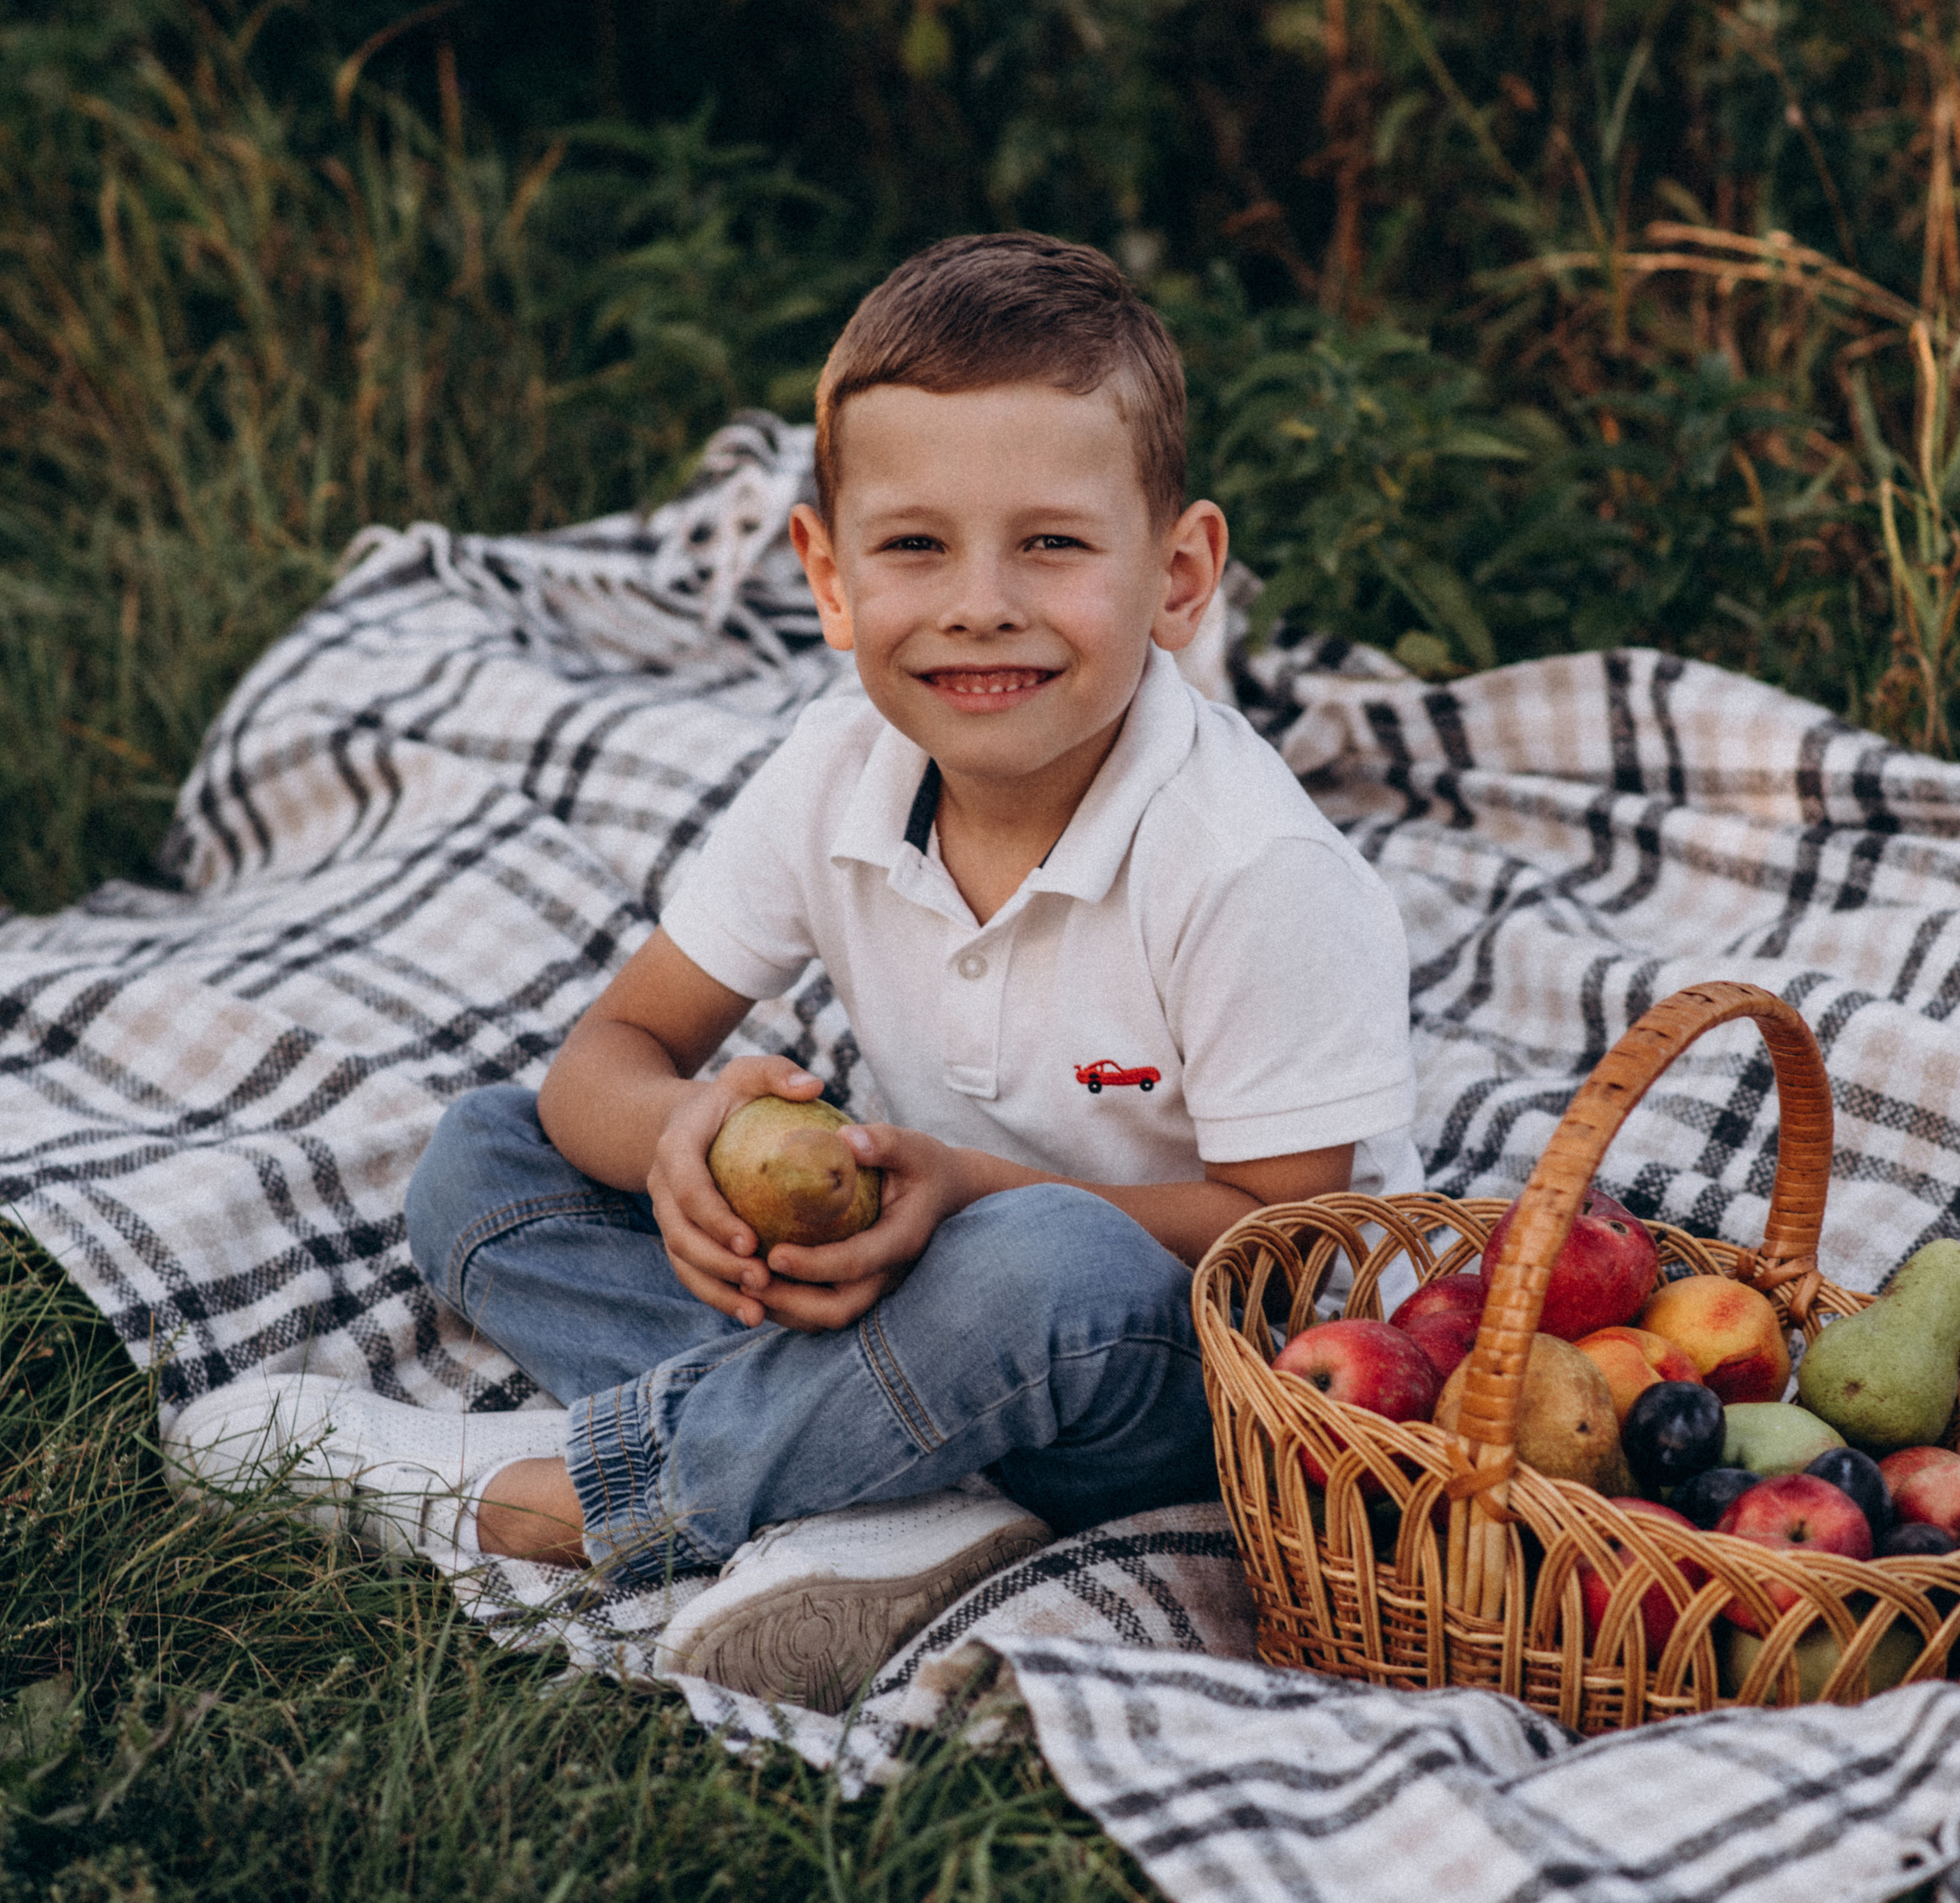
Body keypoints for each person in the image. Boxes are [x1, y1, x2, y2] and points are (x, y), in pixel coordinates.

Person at [163, 233, 1420, 1710]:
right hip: (893, 1292)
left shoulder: (1246, 867)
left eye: (1055, 545)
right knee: (482, 1161)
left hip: (1172, 1374)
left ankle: (582, 1493)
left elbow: (1289, 1241)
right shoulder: (838, 767)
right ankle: (887, 1494)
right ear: (826, 572)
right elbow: (615, 1051)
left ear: (1180, 574)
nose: (980, 603)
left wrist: (960, 1189)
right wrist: (685, 1140)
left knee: (1046, 1264)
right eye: (914, 547)